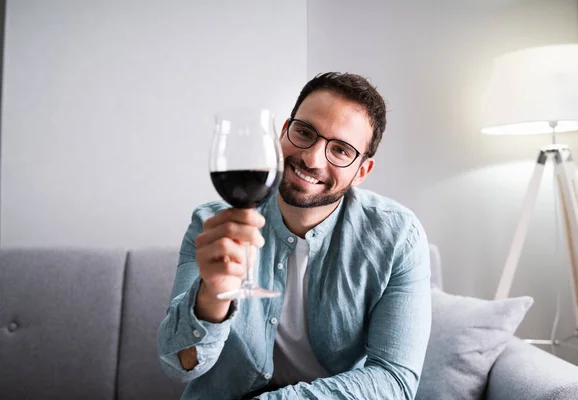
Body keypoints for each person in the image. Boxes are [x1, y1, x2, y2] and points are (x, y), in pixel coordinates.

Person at [157, 72, 432, 399]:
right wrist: (211, 296)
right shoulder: (213, 223)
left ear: (361, 171)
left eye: (341, 150)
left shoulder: (399, 238)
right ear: (284, 131)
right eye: (304, 132)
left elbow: (394, 381)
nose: (312, 158)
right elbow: (179, 364)